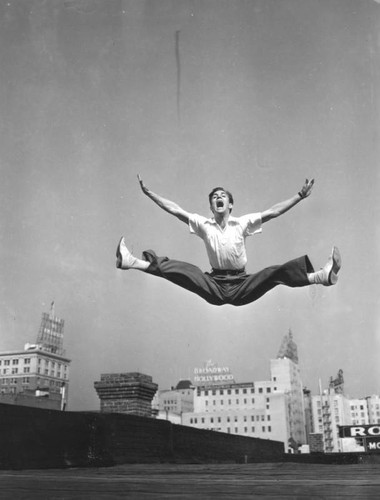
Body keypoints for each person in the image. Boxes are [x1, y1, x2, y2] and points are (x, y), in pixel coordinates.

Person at [116, 175, 341, 306]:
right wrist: (150, 194)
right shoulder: (203, 224)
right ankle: (130, 261)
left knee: (273, 273)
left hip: (242, 284)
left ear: (230, 205)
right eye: (214, 197)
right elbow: (175, 210)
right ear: (211, 207)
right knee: (183, 270)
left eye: (222, 196)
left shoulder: (242, 223)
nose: (218, 198)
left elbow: (273, 212)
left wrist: (299, 196)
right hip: (214, 284)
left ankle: (322, 276)